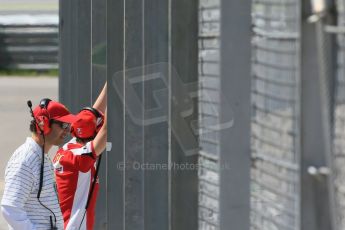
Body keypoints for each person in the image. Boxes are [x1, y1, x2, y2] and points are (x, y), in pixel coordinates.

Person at [1, 99, 78, 230]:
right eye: (63, 125)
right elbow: (10, 208)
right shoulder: (26, 160)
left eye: (68, 126)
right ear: (44, 124)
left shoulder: (41, 157)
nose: (67, 131)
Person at [53, 83, 107, 230]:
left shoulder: (69, 148)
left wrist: (111, 81)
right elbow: (109, 128)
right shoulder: (81, 158)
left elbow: (93, 114)